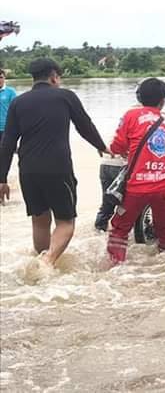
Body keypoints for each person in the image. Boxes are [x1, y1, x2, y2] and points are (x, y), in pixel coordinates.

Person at [0, 58, 108, 266]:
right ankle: (47, 262)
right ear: (54, 77)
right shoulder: (66, 96)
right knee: (66, 222)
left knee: (40, 222)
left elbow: (7, 143)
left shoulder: (18, 102)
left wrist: (2, 178)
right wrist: (102, 146)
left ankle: (40, 262)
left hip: (28, 171)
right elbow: (84, 125)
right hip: (58, 169)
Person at [106, 78, 165, 263]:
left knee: (119, 229)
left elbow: (118, 146)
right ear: (163, 101)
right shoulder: (164, 120)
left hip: (137, 186)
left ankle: (114, 267)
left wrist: (113, 150)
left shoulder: (130, 115)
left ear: (139, 98)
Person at [94, 155, 126, 231]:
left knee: (107, 199)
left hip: (104, 164)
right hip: (121, 166)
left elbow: (100, 151)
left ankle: (100, 226)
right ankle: (119, 226)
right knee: (124, 201)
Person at [0, 69, 17, 144]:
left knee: (5, 149)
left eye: (1, 77)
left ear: (4, 78)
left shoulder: (11, 91)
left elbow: (15, 110)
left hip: (6, 128)